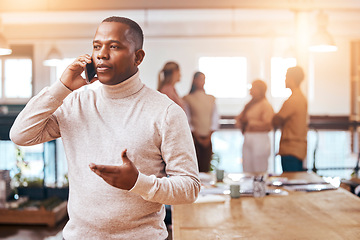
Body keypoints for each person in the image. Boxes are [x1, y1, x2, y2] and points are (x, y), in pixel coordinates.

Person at [10, 16, 200, 239]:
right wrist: (61, 88)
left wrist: (139, 183)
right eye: (96, 46)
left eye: (114, 46)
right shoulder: (75, 102)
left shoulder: (166, 112)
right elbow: (21, 134)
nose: (101, 54)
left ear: (138, 57)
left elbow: (190, 187)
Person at [272, 66, 308, 172]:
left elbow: (276, 120)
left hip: (291, 149)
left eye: (286, 77)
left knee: (291, 183)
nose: (284, 80)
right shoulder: (301, 97)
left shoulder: (293, 100)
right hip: (298, 149)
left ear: (291, 79)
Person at [183, 72, 219, 172]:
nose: (202, 82)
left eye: (203, 79)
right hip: (193, 139)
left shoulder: (211, 98)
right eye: (200, 79)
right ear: (194, 80)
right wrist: (197, 136)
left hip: (208, 138)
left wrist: (209, 136)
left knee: (206, 167)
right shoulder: (187, 98)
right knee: (194, 168)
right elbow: (187, 118)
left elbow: (215, 118)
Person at [235, 79, 274, 173]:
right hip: (248, 137)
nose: (250, 90)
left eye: (253, 87)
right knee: (247, 168)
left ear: (260, 89)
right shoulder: (249, 104)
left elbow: (268, 125)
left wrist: (250, 123)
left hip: (260, 138)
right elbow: (239, 119)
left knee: (259, 168)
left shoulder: (265, 105)